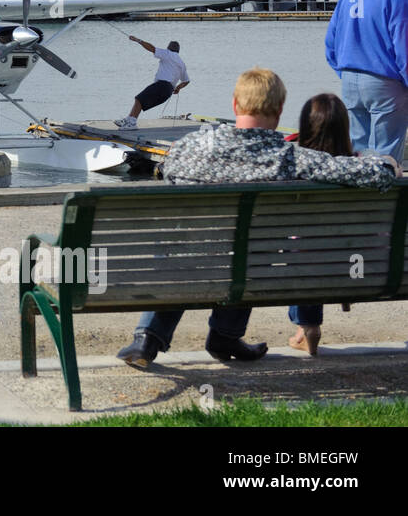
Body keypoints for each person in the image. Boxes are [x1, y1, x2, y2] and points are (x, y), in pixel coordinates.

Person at [117, 69, 398, 369]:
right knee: (248, 251)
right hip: (248, 272)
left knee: (182, 246)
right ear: (279, 111)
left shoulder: (191, 146)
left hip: (185, 267)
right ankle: (224, 336)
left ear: (235, 105)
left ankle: (147, 337)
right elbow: (376, 175)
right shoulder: (290, 158)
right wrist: (382, 159)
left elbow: (168, 170)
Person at [287, 93, 361, 355]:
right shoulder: (361, 167)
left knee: (304, 251)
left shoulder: (296, 168)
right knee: (319, 248)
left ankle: (307, 327)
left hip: (307, 267)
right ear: (345, 129)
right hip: (355, 267)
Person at [325, 0, 408, 158]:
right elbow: (404, 52)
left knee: (356, 148)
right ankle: (383, 189)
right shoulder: (399, 1)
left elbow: (330, 45)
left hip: (350, 80)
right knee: (385, 154)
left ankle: (358, 191)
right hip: (386, 84)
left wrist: (345, 73)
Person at [114, 36, 188, 129]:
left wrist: (138, 40)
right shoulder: (182, 63)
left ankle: (132, 123)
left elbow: (152, 48)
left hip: (162, 85)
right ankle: (129, 120)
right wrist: (178, 88)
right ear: (178, 51)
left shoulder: (167, 53)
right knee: (140, 100)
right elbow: (186, 81)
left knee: (139, 99)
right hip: (167, 92)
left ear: (168, 48)